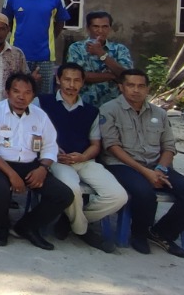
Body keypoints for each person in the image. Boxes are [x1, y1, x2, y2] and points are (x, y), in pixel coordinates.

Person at [100, 69, 184, 258]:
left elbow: (169, 147)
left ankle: (161, 233)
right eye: (131, 85)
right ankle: (139, 234)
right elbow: (112, 147)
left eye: (141, 86)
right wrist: (146, 172)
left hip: (156, 165)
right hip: (122, 165)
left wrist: (159, 169)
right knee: (144, 193)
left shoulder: (159, 113)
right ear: (121, 87)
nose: (136, 90)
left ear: (147, 89)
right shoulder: (109, 110)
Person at [40, 63, 127, 253]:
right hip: (56, 160)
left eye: (76, 80)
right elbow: (32, 133)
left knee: (118, 196)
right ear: (58, 80)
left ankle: (72, 218)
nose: (71, 85)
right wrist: (52, 149)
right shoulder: (43, 103)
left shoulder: (91, 111)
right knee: (72, 190)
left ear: (83, 83)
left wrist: (82, 156)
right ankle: (82, 230)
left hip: (84, 160)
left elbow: (95, 144)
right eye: (67, 79)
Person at [0, 73, 73, 250]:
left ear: (33, 95)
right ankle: (0, 226)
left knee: (63, 195)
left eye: (27, 92)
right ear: (7, 92)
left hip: (31, 164)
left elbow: (50, 146)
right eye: (16, 91)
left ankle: (27, 226)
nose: (21, 97)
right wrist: (12, 174)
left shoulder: (40, 116)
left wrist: (43, 168)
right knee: (0, 189)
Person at [2, 0, 70, 95]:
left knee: (44, 96)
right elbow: (6, 22)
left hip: (45, 56)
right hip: (17, 55)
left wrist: (47, 38)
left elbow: (60, 23)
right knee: (17, 92)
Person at [66, 11, 133, 107]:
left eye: (105, 27)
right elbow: (78, 76)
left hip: (114, 105)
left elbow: (127, 76)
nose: (100, 31)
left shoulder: (120, 49)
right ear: (88, 28)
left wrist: (101, 54)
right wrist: (112, 76)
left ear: (110, 28)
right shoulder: (76, 48)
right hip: (84, 104)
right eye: (96, 26)